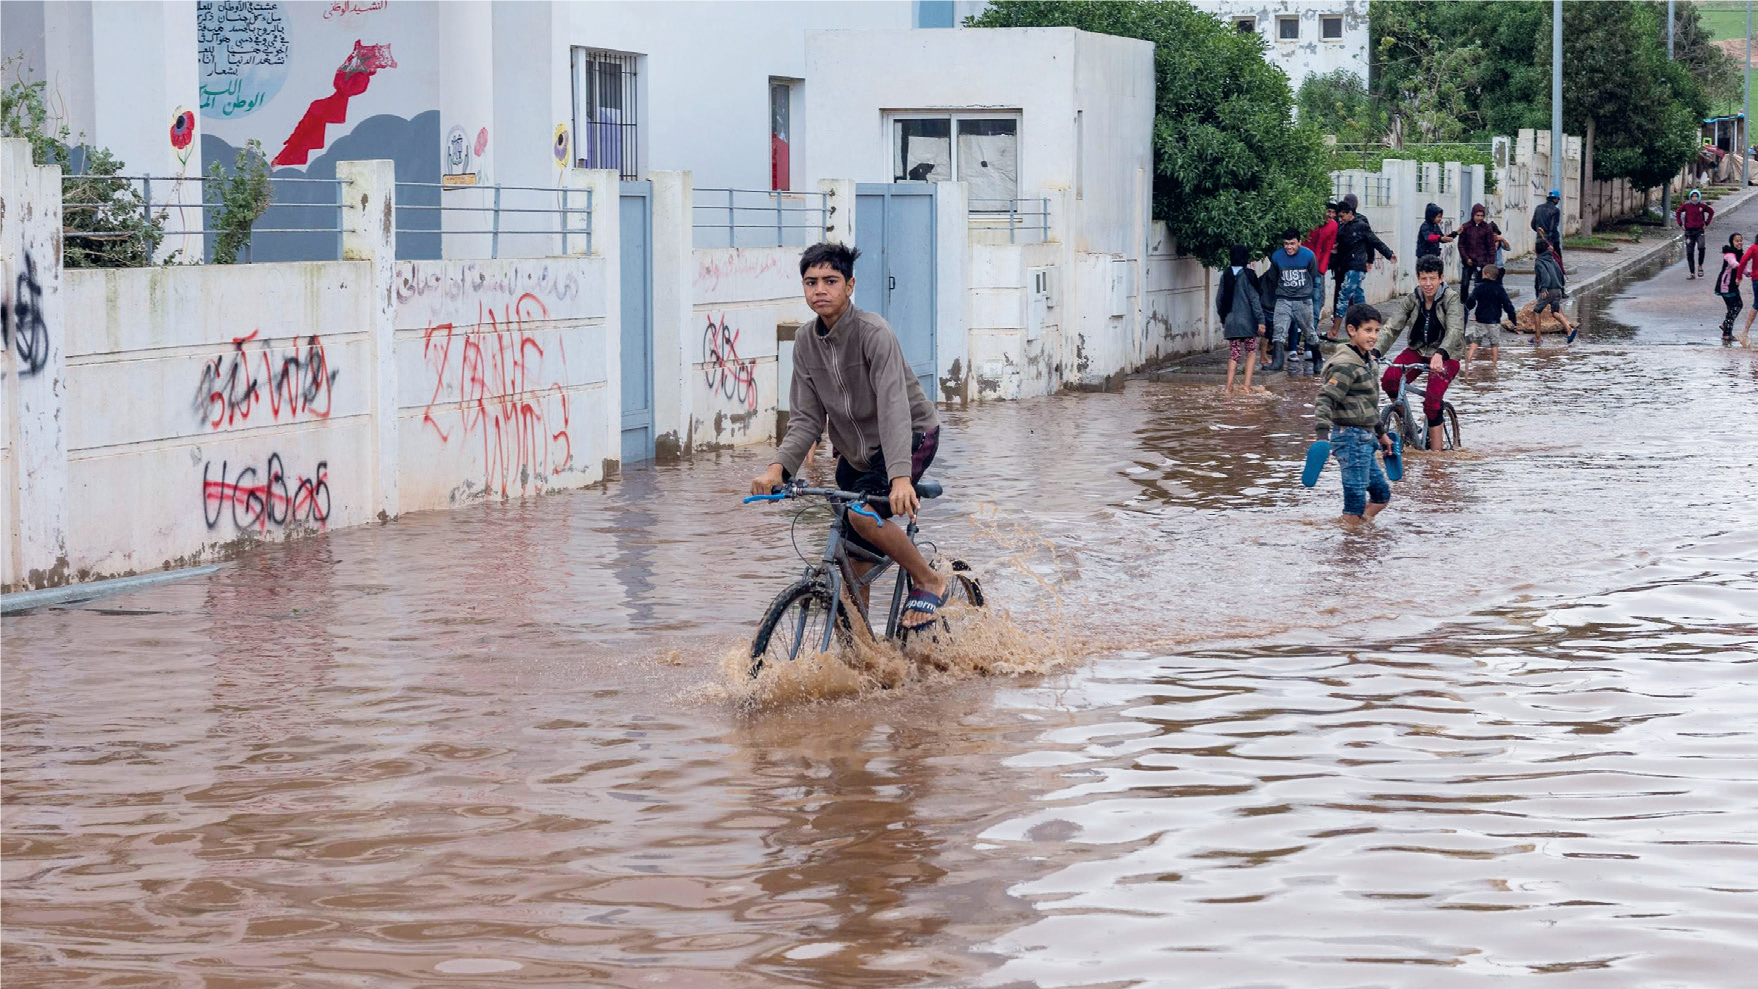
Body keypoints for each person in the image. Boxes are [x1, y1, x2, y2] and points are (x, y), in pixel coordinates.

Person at [749, 242, 949, 628]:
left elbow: (894, 408)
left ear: (850, 285)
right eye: (810, 282)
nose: (819, 290)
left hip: (910, 435)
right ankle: (862, 656)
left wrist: (900, 477)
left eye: (830, 281)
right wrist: (778, 470)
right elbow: (806, 419)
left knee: (861, 514)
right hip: (854, 454)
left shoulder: (874, 332)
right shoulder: (806, 343)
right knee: (852, 564)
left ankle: (929, 579)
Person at [1314, 303, 1393, 524]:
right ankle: (1349, 548)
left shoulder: (1368, 361)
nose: (1374, 336)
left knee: (1381, 495)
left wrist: (1381, 433)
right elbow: (1325, 399)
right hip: (1349, 438)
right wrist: (1322, 437)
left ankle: (1356, 533)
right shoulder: (1345, 366)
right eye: (1368, 330)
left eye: (1377, 330)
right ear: (1351, 330)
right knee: (1355, 501)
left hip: (1367, 439)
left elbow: (1368, 404)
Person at [1377, 255, 1463, 453]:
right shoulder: (1413, 298)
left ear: (1441, 278)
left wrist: (1441, 353)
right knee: (1390, 379)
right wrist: (1374, 351)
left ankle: (1436, 457)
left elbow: (1455, 330)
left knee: (1432, 402)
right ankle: (1408, 427)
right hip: (1418, 349)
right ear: (1418, 278)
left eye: (1432, 278)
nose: (1428, 284)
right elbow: (1392, 327)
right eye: (1424, 279)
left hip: (1447, 354)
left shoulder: (1451, 298)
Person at [1330, 198, 1398, 340]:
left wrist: (1388, 254)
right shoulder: (1342, 228)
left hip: (1357, 267)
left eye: (1342, 216)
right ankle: (1367, 326)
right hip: (1348, 266)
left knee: (1344, 296)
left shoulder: (1361, 225)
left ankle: (1334, 331)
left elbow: (1374, 241)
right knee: (1359, 298)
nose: (1340, 219)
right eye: (1339, 217)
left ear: (1349, 213)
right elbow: (1338, 246)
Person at [1265, 227, 1321, 375]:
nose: (1289, 247)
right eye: (1286, 244)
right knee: (1279, 330)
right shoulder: (1277, 256)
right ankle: (1277, 363)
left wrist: (1306, 294)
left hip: (1303, 300)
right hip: (1283, 298)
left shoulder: (1309, 256)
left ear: (1299, 243)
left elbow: (1313, 274)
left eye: (1292, 243)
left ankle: (1318, 360)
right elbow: (1273, 276)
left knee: (1309, 331)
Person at [1217, 244, 1267, 394]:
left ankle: (1228, 387)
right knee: (1251, 351)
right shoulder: (1249, 275)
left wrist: (1223, 318)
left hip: (1231, 322)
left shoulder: (1225, 275)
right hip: (1248, 323)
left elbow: (1219, 300)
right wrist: (1261, 321)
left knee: (1234, 353)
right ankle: (1246, 386)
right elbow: (1254, 300)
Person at [1464, 263, 1517, 369]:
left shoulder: (1479, 287)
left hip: (1481, 320)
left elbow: (1471, 300)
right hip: (1494, 321)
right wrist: (1513, 319)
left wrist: (1467, 308)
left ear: (1486, 274)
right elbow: (1507, 304)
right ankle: (1494, 364)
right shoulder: (1499, 288)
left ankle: (1468, 361)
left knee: (1475, 342)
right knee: (1494, 344)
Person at [1456, 204, 1510, 301]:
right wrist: (1466, 258)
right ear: (1473, 215)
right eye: (1477, 215)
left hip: (1482, 261)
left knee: (1480, 285)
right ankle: (1463, 305)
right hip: (1468, 261)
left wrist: (1490, 262)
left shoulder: (1487, 228)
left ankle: (1481, 305)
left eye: (1482, 215)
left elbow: (1490, 246)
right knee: (1464, 284)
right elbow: (1461, 245)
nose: (1479, 218)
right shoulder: (1466, 227)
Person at [1532, 236, 1575, 345]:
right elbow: (1560, 273)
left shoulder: (1539, 262)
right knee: (1555, 312)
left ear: (1536, 250)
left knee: (1537, 311)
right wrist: (1562, 288)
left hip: (1548, 290)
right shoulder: (1552, 259)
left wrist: (1543, 288)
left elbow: (1544, 275)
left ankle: (1537, 337)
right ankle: (1569, 330)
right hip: (1558, 290)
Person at [1304, 202, 1339, 325]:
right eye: (1328, 211)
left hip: (1318, 266)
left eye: (1333, 213)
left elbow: (1327, 249)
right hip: (1304, 265)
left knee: (1317, 299)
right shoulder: (1311, 221)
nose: (1331, 215)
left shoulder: (1333, 226)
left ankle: (1312, 330)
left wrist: (1321, 269)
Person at [1674, 188, 1715, 280]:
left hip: (1699, 231)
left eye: (1696, 196)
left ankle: (1700, 265)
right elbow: (1678, 212)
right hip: (1689, 232)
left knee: (1701, 246)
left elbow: (1711, 212)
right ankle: (1692, 272)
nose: (1694, 198)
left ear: (1699, 197)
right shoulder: (1686, 206)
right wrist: (1681, 224)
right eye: (1693, 196)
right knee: (1689, 252)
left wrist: (1706, 223)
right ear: (1690, 197)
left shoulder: (1702, 206)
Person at [1715, 232, 1745, 341]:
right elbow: (1734, 264)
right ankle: (1726, 329)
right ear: (1732, 242)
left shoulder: (1739, 253)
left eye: (1740, 240)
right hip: (1725, 285)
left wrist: (1749, 273)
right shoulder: (1729, 254)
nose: (1739, 243)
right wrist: (1742, 268)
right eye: (1737, 241)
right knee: (1737, 306)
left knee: (1732, 308)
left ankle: (1726, 330)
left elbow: (1742, 267)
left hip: (1732, 285)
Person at [1415, 202, 1455, 276]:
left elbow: (1442, 237)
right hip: (1424, 258)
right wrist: (1440, 238)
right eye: (1438, 217)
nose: (1440, 219)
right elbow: (1429, 237)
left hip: (1434, 257)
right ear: (1431, 216)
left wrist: (1454, 234)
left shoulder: (1435, 226)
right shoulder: (1425, 226)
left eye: (1440, 217)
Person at [1532, 189, 1564, 270]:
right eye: (1558, 199)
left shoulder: (1538, 208)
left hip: (1539, 241)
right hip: (1551, 241)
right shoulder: (1555, 210)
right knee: (1557, 263)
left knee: (1540, 263)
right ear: (1555, 199)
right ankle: (1557, 280)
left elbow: (1533, 224)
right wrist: (1551, 244)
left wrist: (1540, 233)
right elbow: (1552, 228)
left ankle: (1539, 282)